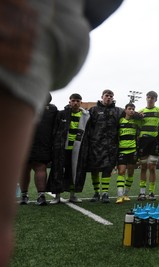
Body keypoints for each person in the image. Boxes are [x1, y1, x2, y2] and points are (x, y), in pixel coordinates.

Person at [0, 1, 124, 265]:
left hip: (31, 28)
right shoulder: (61, 111)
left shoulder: (89, 113)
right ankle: (46, 194)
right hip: (46, 30)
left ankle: (55, 194)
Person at [46, 93, 90, 204]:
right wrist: (54, 145)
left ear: (81, 102)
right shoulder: (61, 114)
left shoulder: (86, 116)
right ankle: (57, 196)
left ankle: (72, 195)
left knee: (74, 172)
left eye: (78, 101)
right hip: (61, 149)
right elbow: (54, 130)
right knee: (57, 171)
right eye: (73, 100)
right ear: (69, 101)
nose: (75, 103)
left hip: (78, 150)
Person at [19, 93, 58, 206]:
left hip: (25, 142)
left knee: (24, 169)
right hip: (43, 143)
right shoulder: (52, 109)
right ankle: (41, 196)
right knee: (40, 168)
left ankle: (24, 196)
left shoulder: (25, 106)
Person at [86, 89, 123, 203]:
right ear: (102, 96)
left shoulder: (118, 111)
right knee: (94, 169)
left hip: (111, 146)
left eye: (111, 96)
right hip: (95, 145)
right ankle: (96, 192)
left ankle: (105, 193)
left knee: (108, 169)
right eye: (107, 95)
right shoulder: (93, 110)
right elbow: (87, 126)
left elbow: (129, 115)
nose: (109, 98)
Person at [137, 91, 159, 201]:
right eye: (148, 97)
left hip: (154, 141)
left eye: (152, 98)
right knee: (143, 167)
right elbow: (135, 124)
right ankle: (142, 193)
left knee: (152, 167)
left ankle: (151, 192)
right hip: (143, 141)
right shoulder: (141, 111)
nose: (150, 99)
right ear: (146, 98)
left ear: (156, 99)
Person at [115, 103, 141, 204]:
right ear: (125, 110)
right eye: (129, 109)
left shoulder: (136, 122)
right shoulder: (120, 121)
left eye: (133, 109)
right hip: (122, 150)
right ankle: (120, 195)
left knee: (130, 173)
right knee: (121, 172)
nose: (132, 110)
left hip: (132, 151)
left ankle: (126, 194)